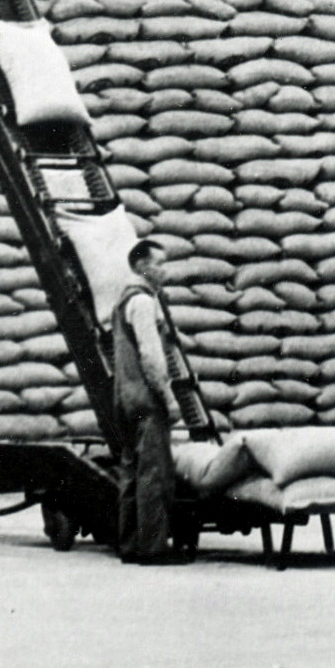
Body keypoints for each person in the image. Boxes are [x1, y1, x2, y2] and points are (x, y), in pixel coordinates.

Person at [65, 208, 210, 562]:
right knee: (154, 475)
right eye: (159, 264)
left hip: (124, 398)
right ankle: (152, 547)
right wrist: (168, 398)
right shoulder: (144, 302)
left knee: (131, 473)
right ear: (142, 265)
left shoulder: (123, 302)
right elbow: (151, 356)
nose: (165, 270)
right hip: (146, 399)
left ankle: (130, 544)